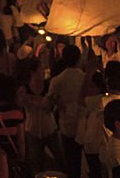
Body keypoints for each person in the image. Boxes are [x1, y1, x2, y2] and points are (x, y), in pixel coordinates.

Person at [47, 43, 85, 177]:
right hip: (82, 123)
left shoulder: (58, 80)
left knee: (69, 158)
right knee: (80, 159)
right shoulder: (85, 78)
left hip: (66, 123)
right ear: (79, 59)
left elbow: (49, 100)